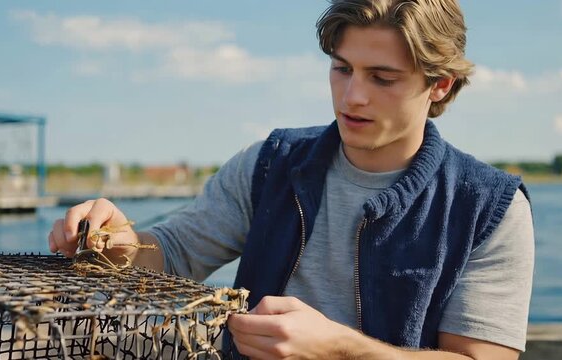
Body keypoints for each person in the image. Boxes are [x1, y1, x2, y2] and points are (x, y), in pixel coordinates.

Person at [49, 0, 534, 359]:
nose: (352, 96)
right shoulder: (269, 163)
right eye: (342, 69)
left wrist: (340, 349)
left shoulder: (490, 207)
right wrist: (117, 242)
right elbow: (173, 255)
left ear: (440, 84)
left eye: (382, 78)